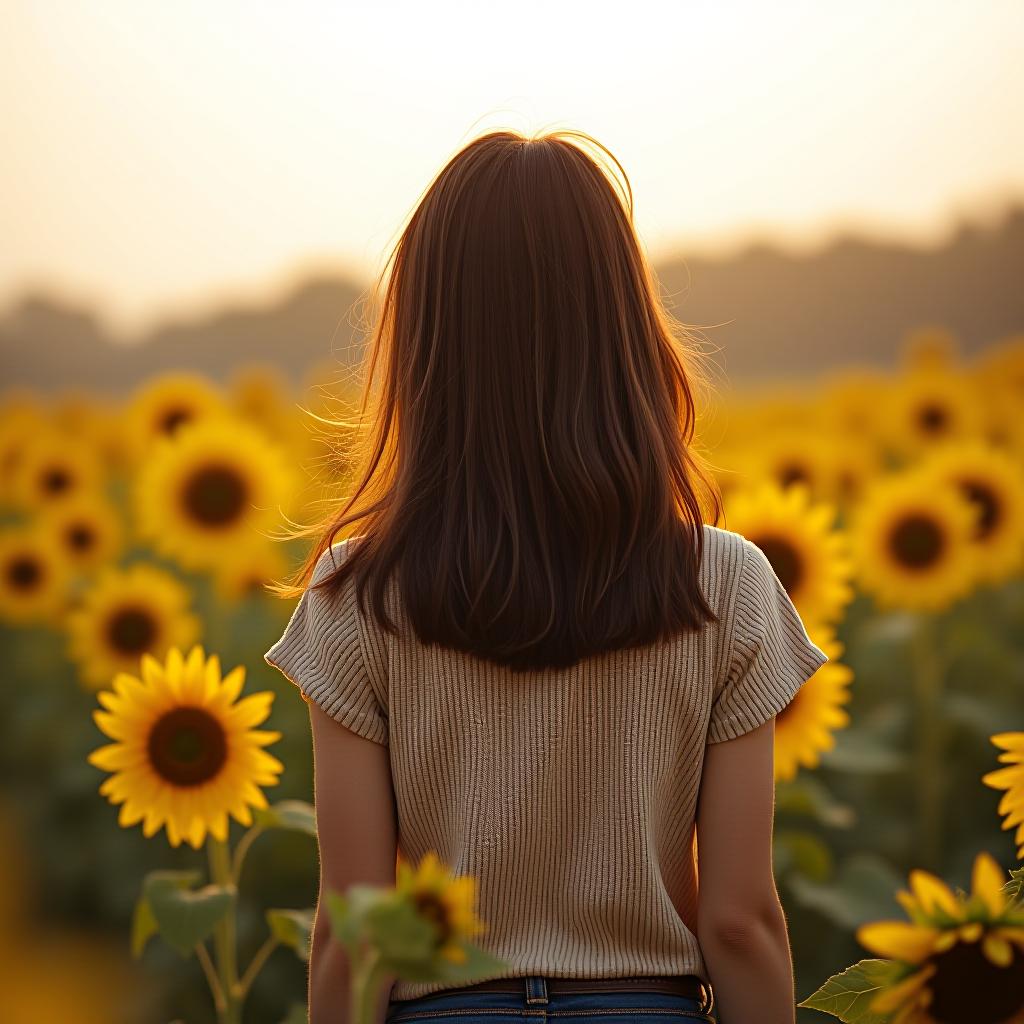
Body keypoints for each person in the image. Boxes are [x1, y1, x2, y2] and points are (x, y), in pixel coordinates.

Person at [264, 127, 829, 1024]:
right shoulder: (727, 584)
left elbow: (353, 930)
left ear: (425, 345)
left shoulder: (354, 597)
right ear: (625, 328)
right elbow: (740, 923)